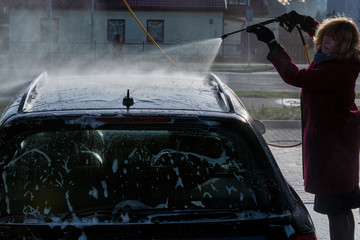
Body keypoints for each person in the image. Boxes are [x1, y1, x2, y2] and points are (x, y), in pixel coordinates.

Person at [247, 11, 360, 240]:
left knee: (336, 208)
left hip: (332, 151)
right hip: (339, 146)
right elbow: (326, 37)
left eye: (333, 39)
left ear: (344, 44)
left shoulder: (334, 70)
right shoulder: (342, 59)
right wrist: (306, 22)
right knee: (342, 205)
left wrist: (272, 44)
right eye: (325, 36)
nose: (326, 40)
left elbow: (294, 76)